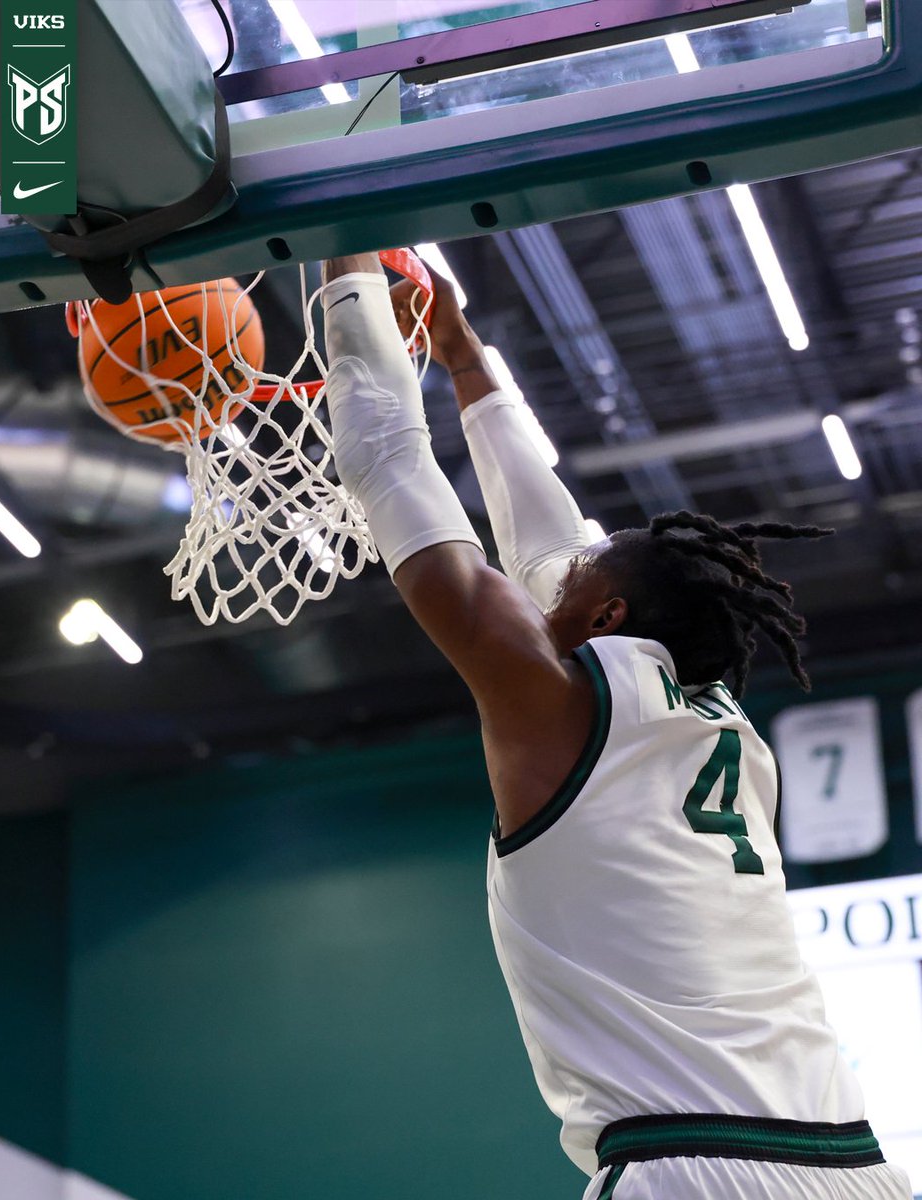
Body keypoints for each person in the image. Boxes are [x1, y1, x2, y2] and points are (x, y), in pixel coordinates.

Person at [319, 252, 912, 1200]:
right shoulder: (718, 718)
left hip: (694, 1165)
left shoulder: (549, 697)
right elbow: (551, 533)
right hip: (854, 1165)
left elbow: (389, 457)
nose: (565, 570)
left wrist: (339, 260)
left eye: (588, 577)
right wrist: (466, 358)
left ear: (606, 618)